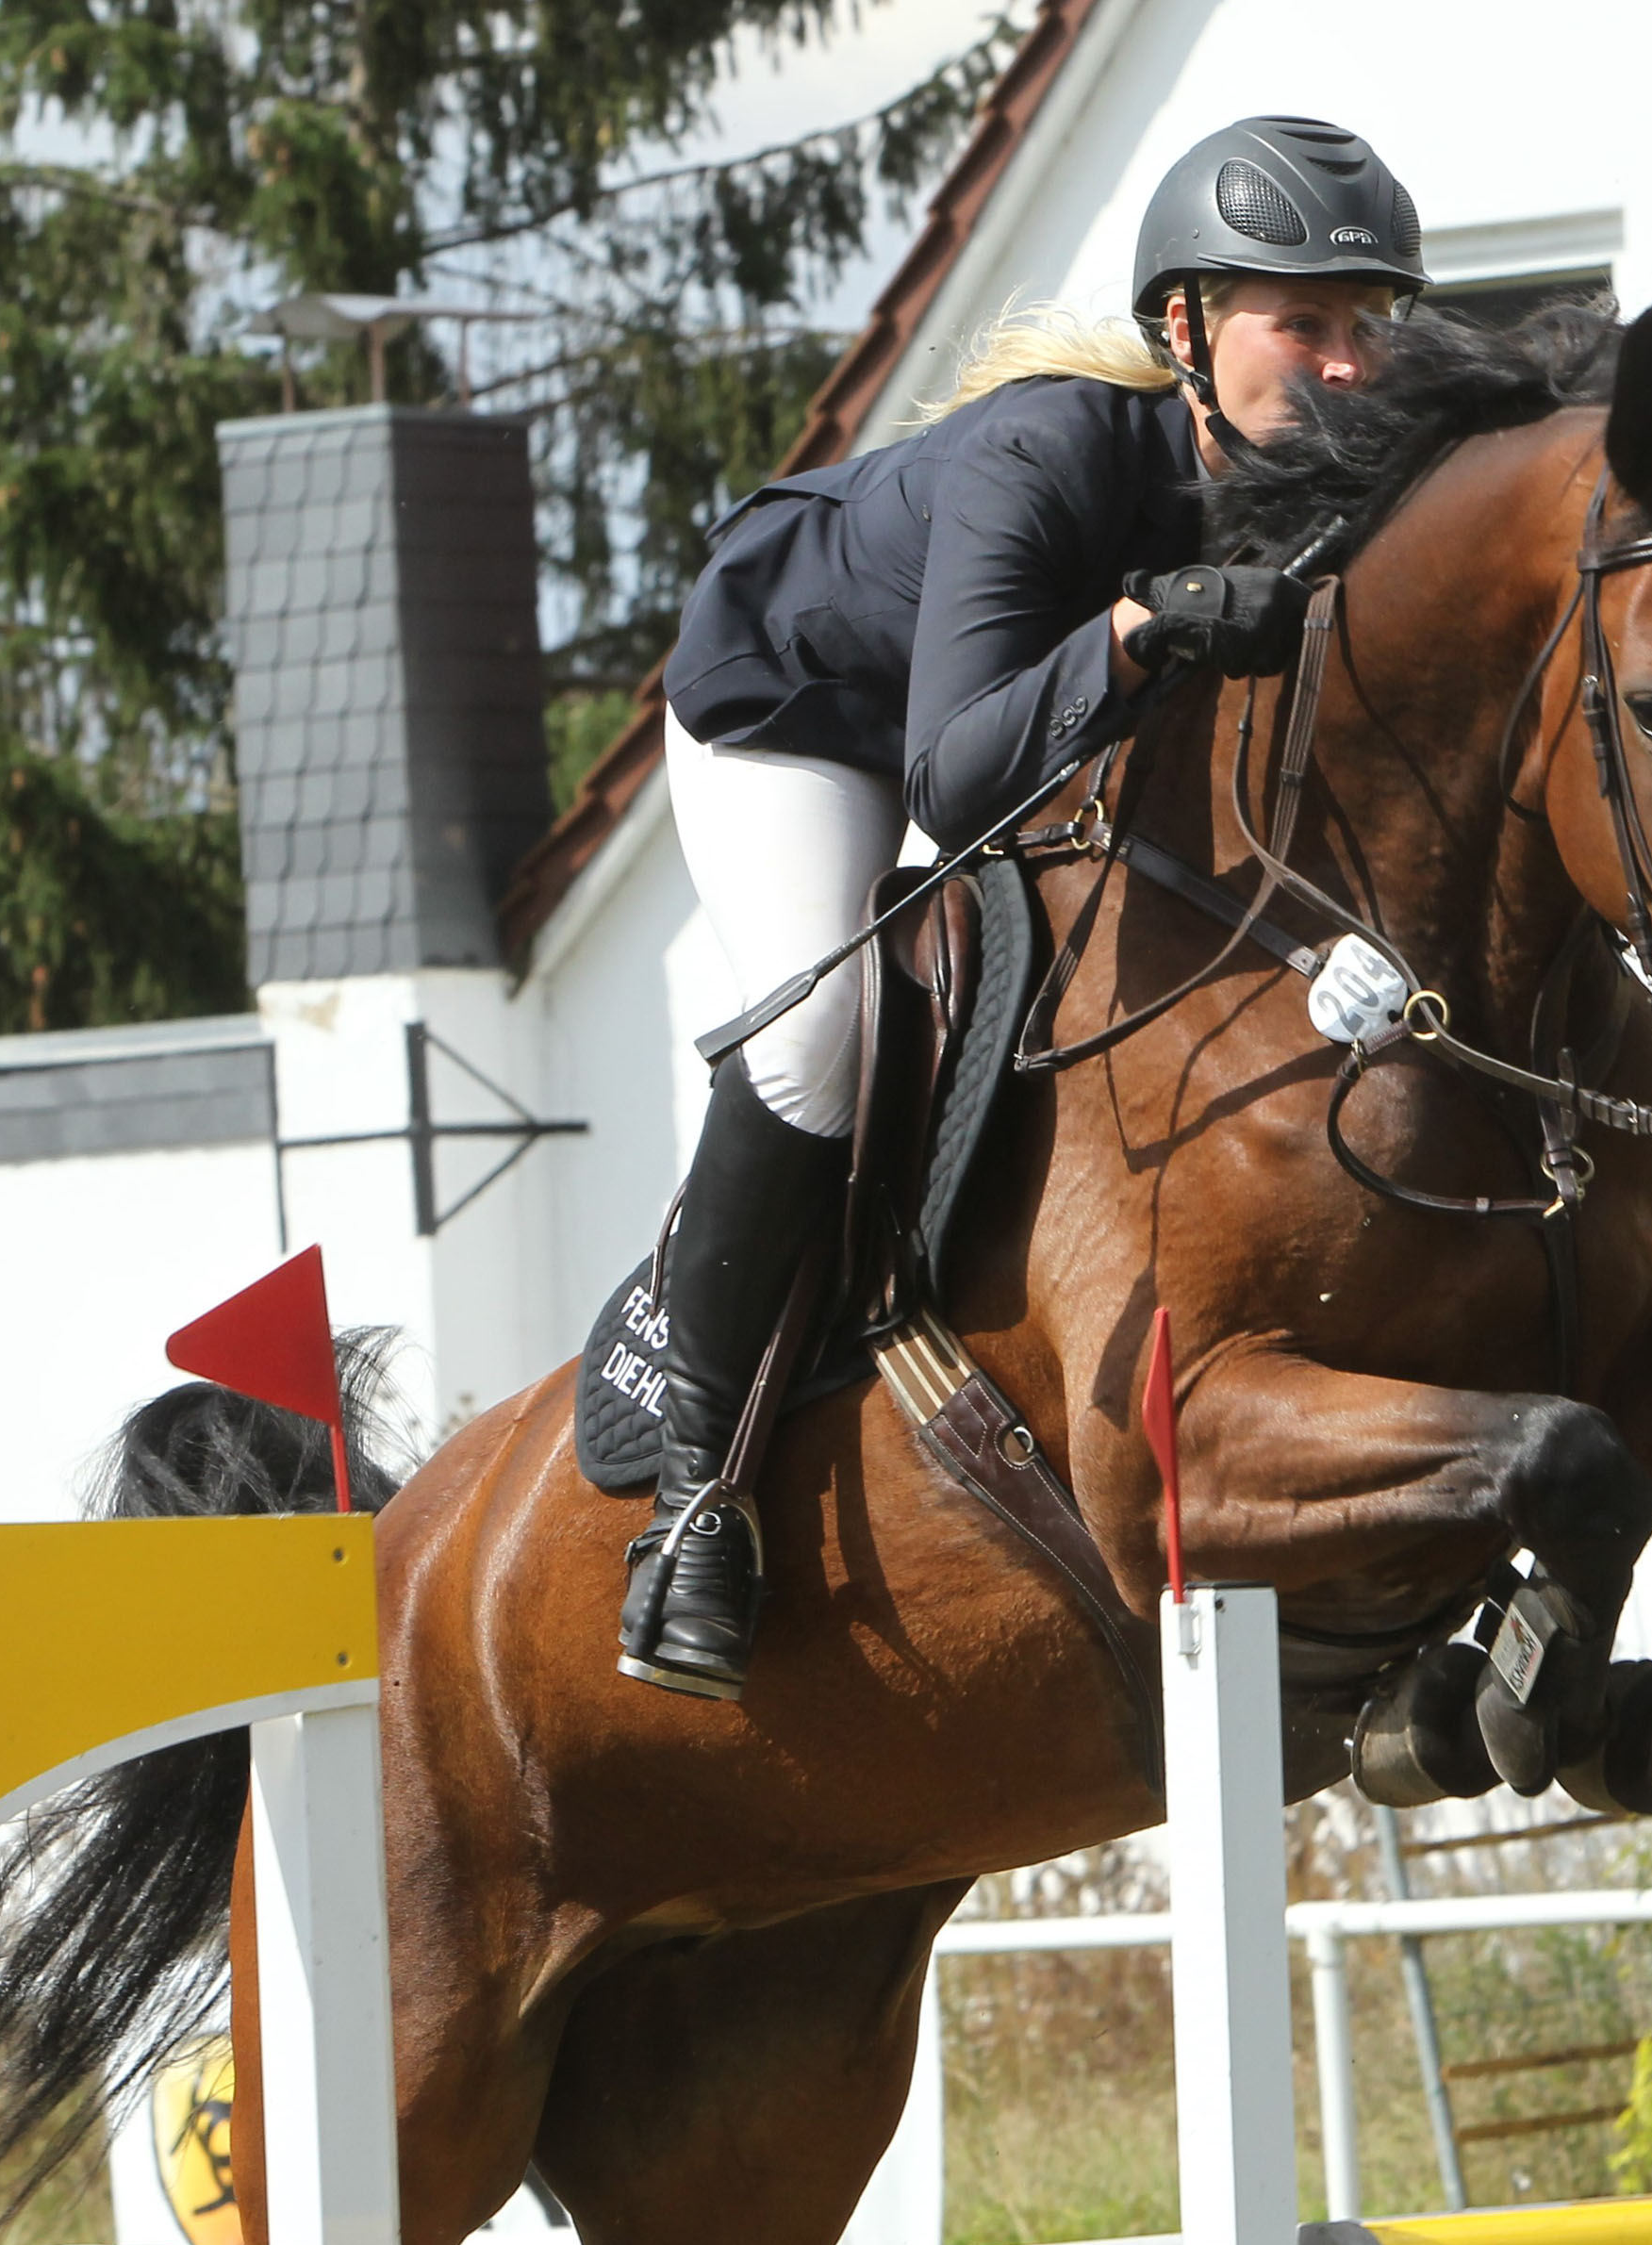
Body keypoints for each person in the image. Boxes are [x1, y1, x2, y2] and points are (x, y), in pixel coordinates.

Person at [610, 115, 1431, 1698]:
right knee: (824, 1034)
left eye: (1369, 327)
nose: (1347, 364)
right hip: (798, 718)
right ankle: (695, 1500)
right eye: (1303, 323)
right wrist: (1142, 622)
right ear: (1186, 328)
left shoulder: (1325, 497)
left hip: (1006, 725)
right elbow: (951, 777)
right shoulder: (1049, 450)